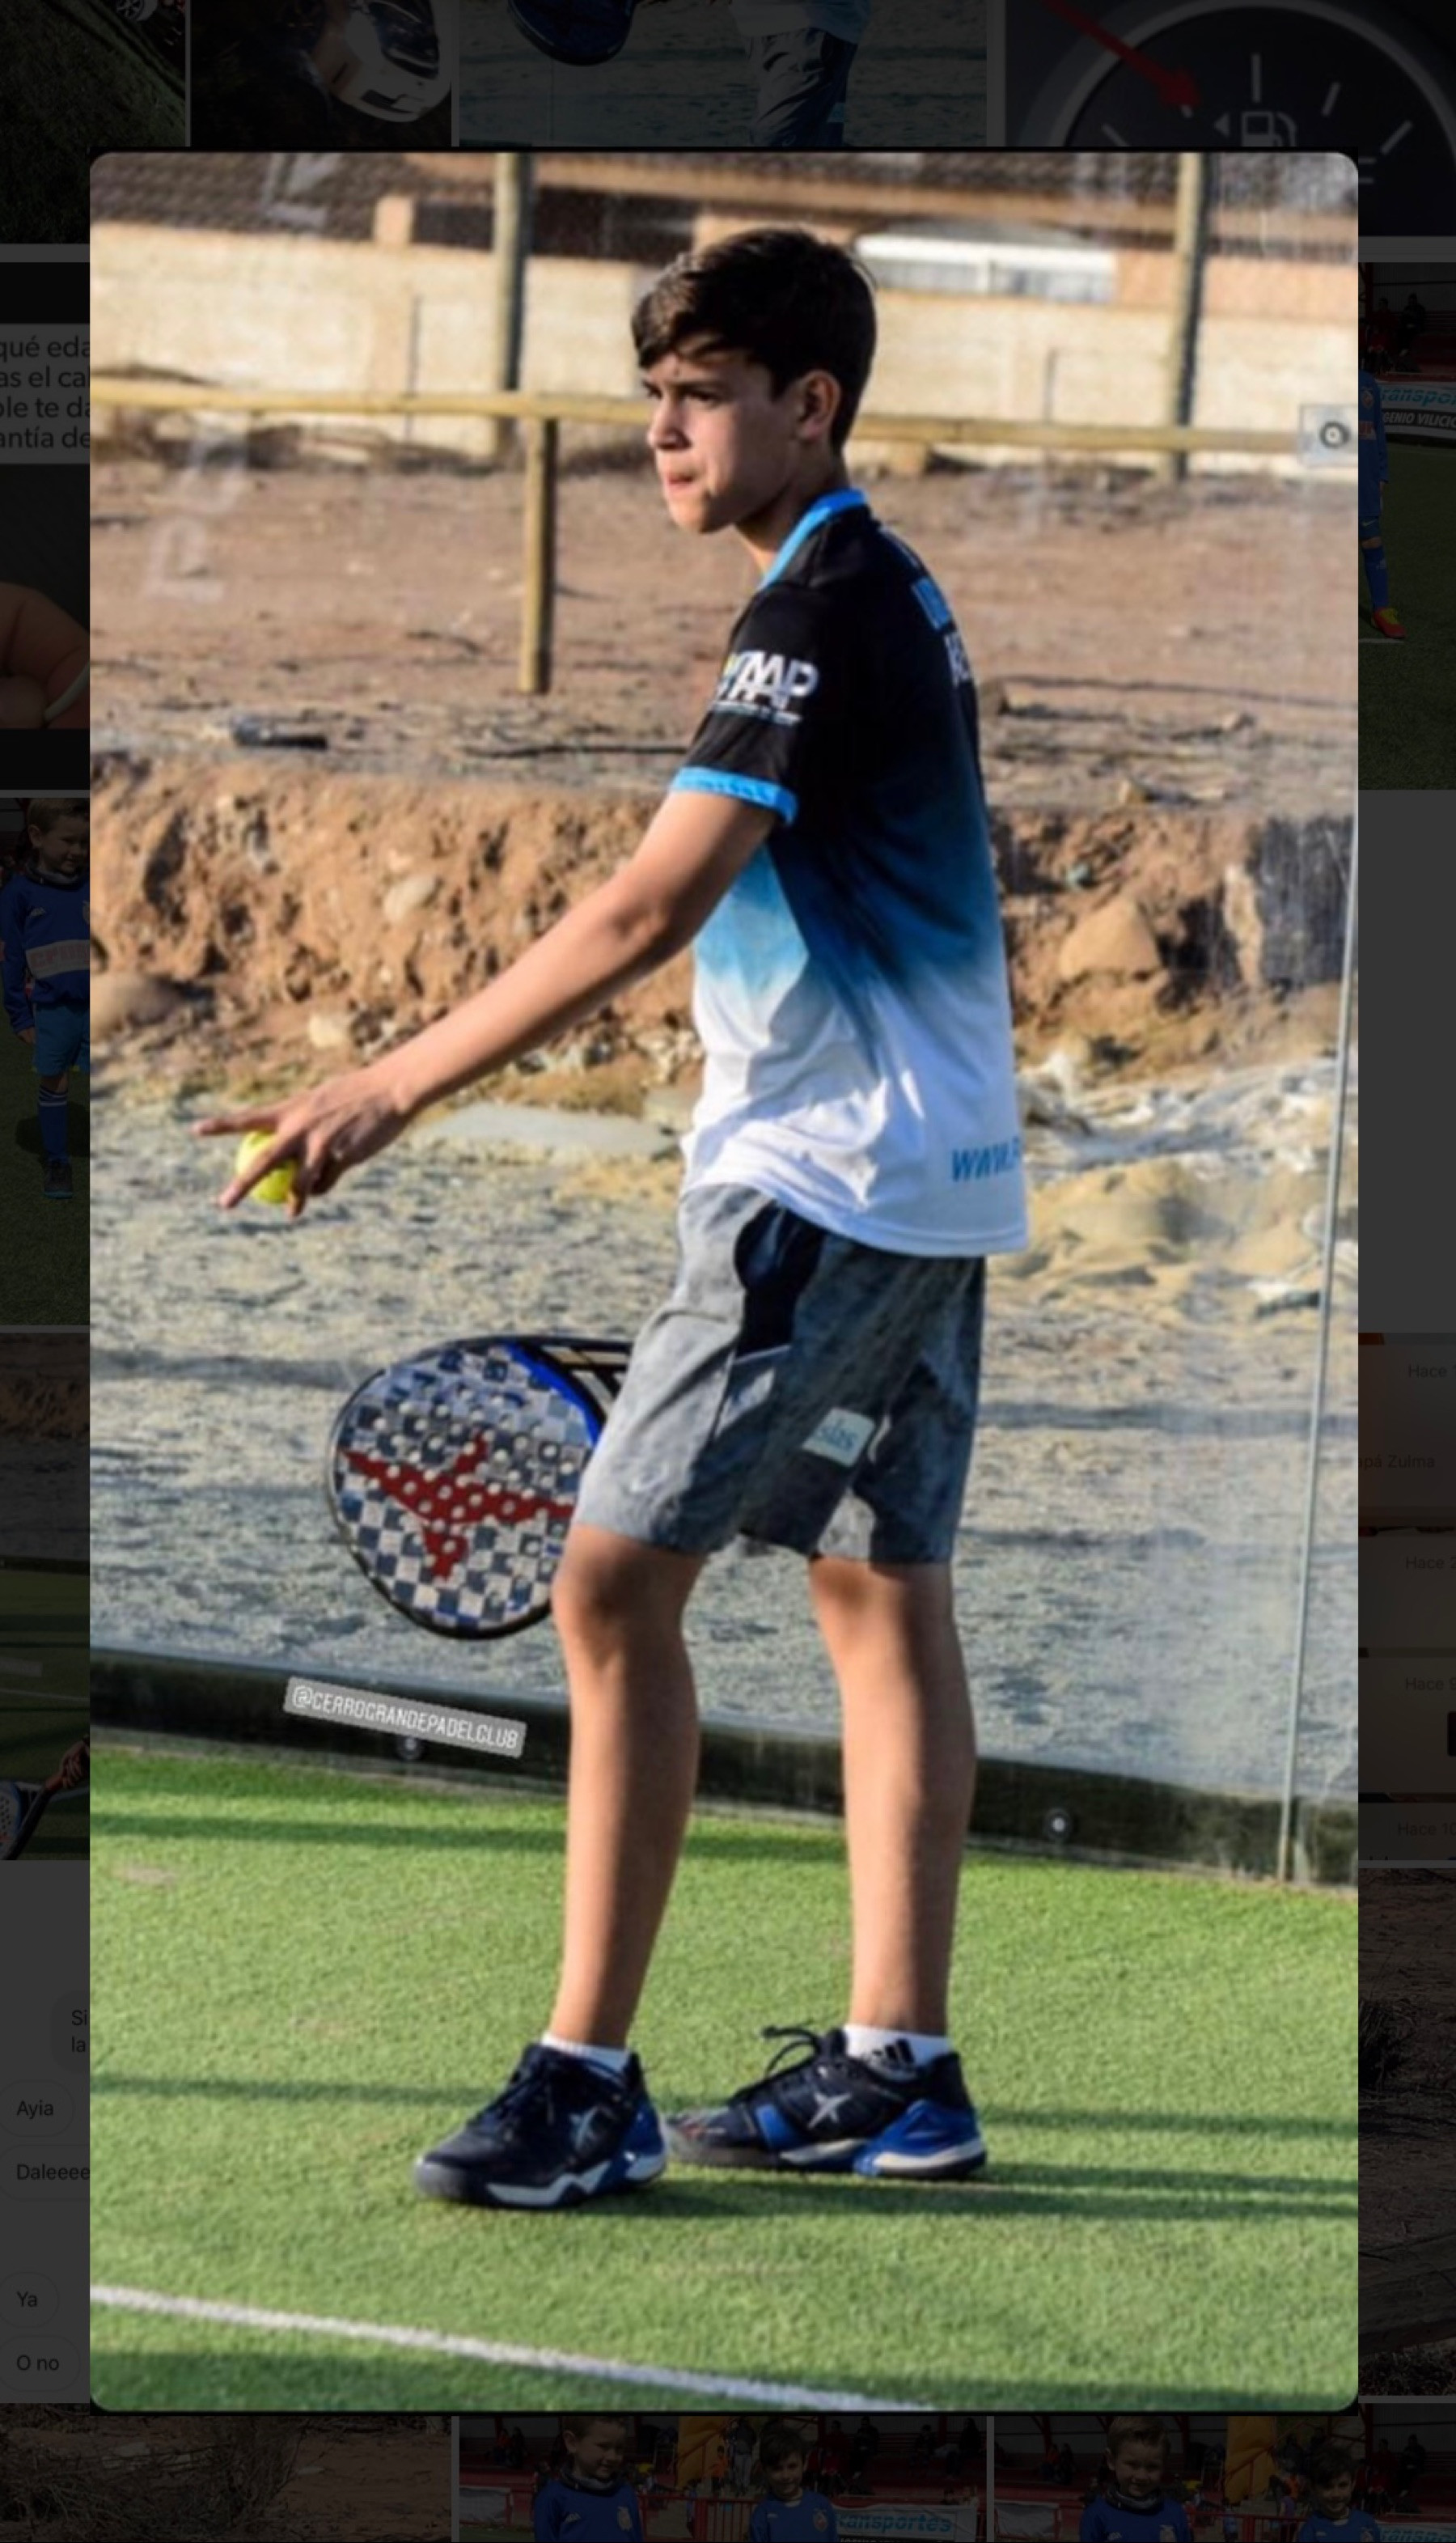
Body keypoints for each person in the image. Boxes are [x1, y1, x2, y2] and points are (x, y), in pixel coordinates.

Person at [203, 225, 1025, 2208]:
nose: (661, 432)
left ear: (809, 405)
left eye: (700, 396)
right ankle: (898, 2070)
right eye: (651, 397)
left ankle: (583, 2084)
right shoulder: (875, 585)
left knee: (607, 1592)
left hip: (821, 1191)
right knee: (874, 1587)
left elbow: (647, 905)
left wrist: (381, 1086)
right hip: (934, 1179)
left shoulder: (808, 608)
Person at [1, 795, 89, 1201]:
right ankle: (57, 1160)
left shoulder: (94, 886)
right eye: (68, 841)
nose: (78, 851)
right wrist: (20, 1015)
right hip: (53, 1010)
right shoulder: (18, 894)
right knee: (55, 1081)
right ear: (37, 837)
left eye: (84, 842)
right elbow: (11, 959)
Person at [1081, 2418, 1192, 2543]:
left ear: (1164, 2465)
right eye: (1132, 2465)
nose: (1141, 2476)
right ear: (1111, 2460)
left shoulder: (1175, 2514)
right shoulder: (1096, 2516)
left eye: (1152, 2467)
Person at [533, 2415, 645, 2541]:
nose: (612, 2457)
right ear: (572, 2443)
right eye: (603, 2446)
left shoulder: (626, 2493)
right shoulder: (551, 2499)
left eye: (619, 2448)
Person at [1359, 367, 1405, 640]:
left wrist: (1382, 473)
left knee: (1372, 541)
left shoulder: (1367, 383)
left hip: (1365, 478)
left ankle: (1381, 609)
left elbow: (1377, 428)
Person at [751, 2423, 840, 2542]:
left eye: (792, 2466)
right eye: (777, 2469)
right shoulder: (762, 2516)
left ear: (805, 2463)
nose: (786, 2476)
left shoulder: (822, 2505)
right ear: (764, 2470)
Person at [1296, 2444, 1382, 2543]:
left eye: (1343, 2485)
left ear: (1353, 2484)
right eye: (1328, 2487)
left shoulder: (1367, 2524)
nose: (1336, 2494)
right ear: (1313, 2488)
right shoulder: (1310, 2531)